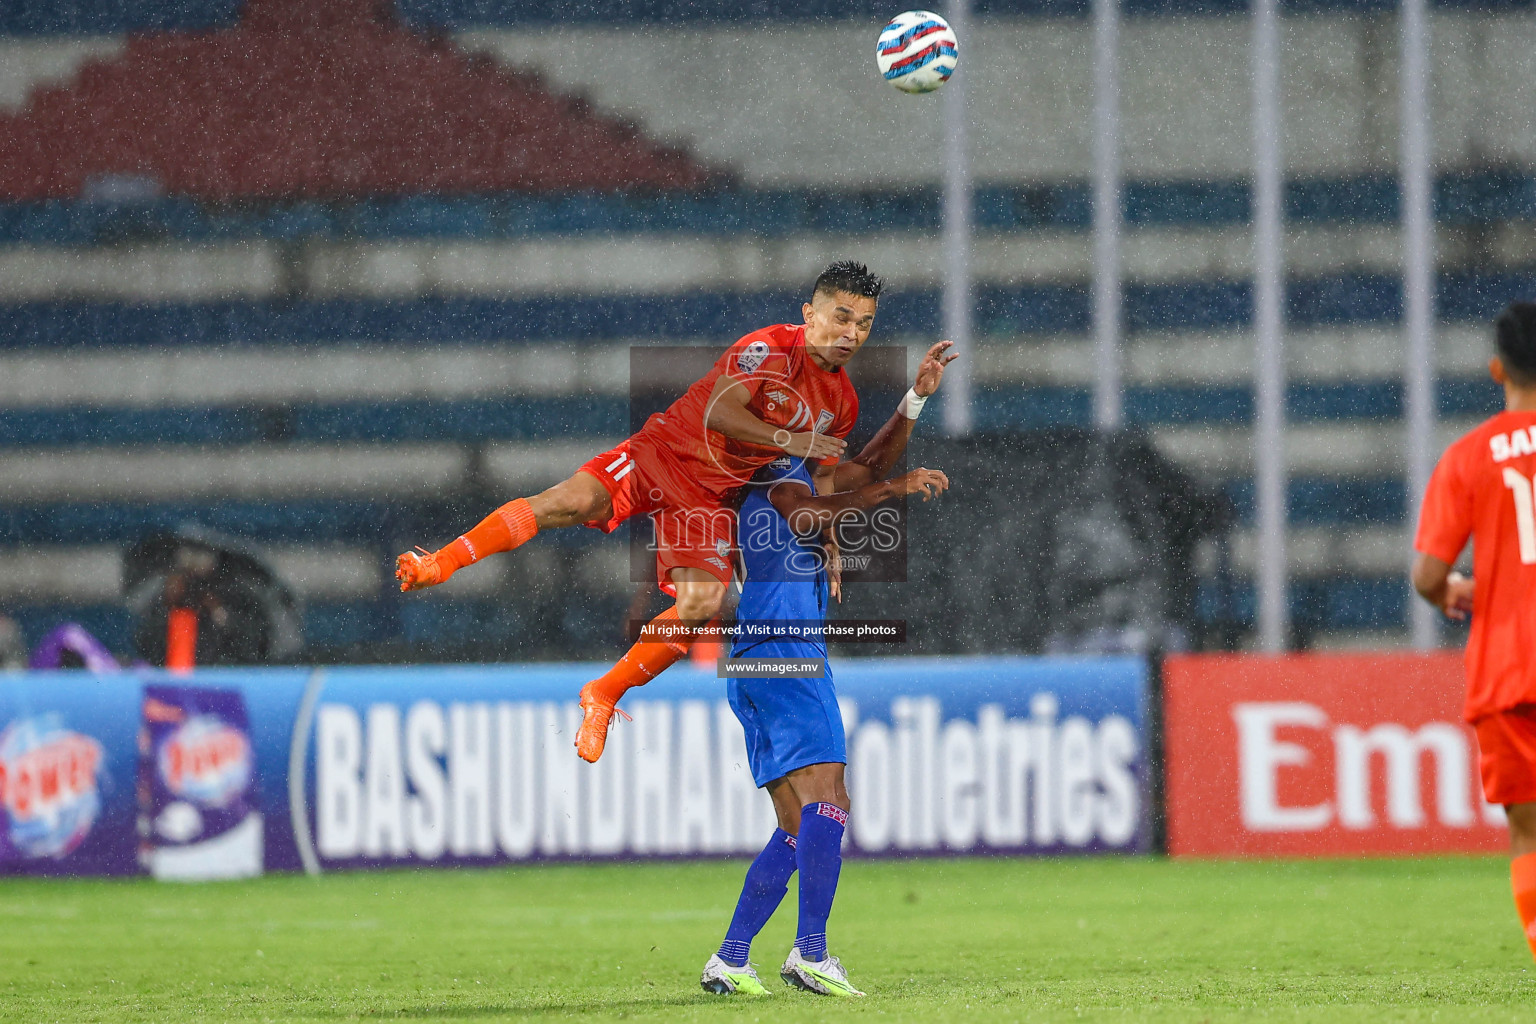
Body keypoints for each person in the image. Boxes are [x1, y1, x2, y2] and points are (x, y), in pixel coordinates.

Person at [396, 262, 901, 764]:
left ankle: (604, 693)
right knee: (567, 502)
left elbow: (824, 476)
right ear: (809, 314)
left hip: (708, 501)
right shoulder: (766, 348)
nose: (852, 334)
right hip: (664, 451)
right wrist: (791, 439)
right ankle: (440, 562)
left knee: (702, 602)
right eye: (841, 318)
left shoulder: (843, 401)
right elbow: (719, 413)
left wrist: (829, 539)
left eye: (865, 324)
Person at [698, 348, 954, 999]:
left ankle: (731, 956)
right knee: (830, 800)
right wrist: (889, 494)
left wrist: (914, 402)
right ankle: (810, 952)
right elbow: (811, 512)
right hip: (786, 657)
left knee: (795, 825)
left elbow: (864, 465)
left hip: (755, 664)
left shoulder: (798, 475)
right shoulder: (777, 475)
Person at [1412, 300, 1536, 962]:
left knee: (1530, 832)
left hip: (1510, 667)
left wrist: (1453, 588)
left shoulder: (1469, 456)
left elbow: (1429, 574)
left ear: (1497, 369)